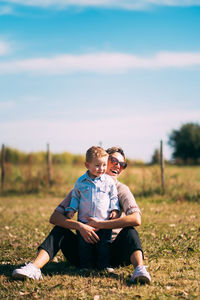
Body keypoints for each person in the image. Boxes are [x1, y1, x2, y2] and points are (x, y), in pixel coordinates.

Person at [12, 147, 151, 284]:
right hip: (82, 248)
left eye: (122, 164)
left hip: (110, 252)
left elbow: (136, 219)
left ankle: (139, 270)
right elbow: (55, 217)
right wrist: (80, 227)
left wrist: (101, 224)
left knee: (130, 231)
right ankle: (34, 268)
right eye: (113, 160)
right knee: (59, 230)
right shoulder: (82, 186)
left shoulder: (122, 189)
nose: (117, 166)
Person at [65, 146, 120, 270]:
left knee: (104, 245)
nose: (101, 169)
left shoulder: (108, 181)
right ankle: (86, 266)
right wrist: (71, 210)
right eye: (97, 165)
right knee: (84, 245)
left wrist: (114, 209)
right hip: (85, 222)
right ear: (87, 165)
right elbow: (75, 198)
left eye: (104, 165)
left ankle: (104, 265)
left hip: (103, 222)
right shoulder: (81, 182)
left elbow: (113, 197)